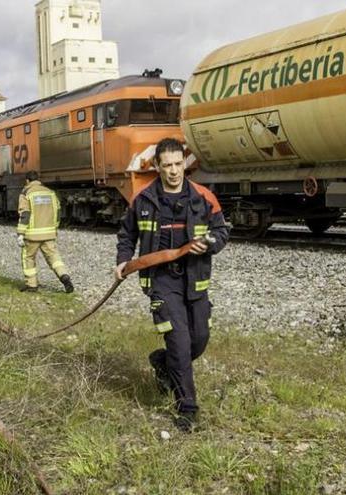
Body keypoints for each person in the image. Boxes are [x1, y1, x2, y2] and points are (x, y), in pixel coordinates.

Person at [115, 138, 229, 432]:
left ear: (185, 163)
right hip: (161, 281)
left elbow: (221, 231)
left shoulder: (204, 197)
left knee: (199, 339)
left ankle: (162, 362)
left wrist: (210, 245)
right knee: (179, 343)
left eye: (179, 164)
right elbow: (127, 235)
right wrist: (123, 260)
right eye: (167, 165)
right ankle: (187, 408)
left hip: (196, 279)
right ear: (157, 167)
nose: (174, 171)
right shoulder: (143, 200)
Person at [16, 171, 74, 293]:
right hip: (49, 233)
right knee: (54, 257)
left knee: (28, 258)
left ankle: (32, 285)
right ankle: (64, 276)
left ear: (27, 181)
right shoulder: (50, 192)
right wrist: (55, 228)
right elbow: (58, 212)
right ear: (38, 179)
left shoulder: (26, 193)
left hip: (32, 235)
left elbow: (25, 214)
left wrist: (21, 233)